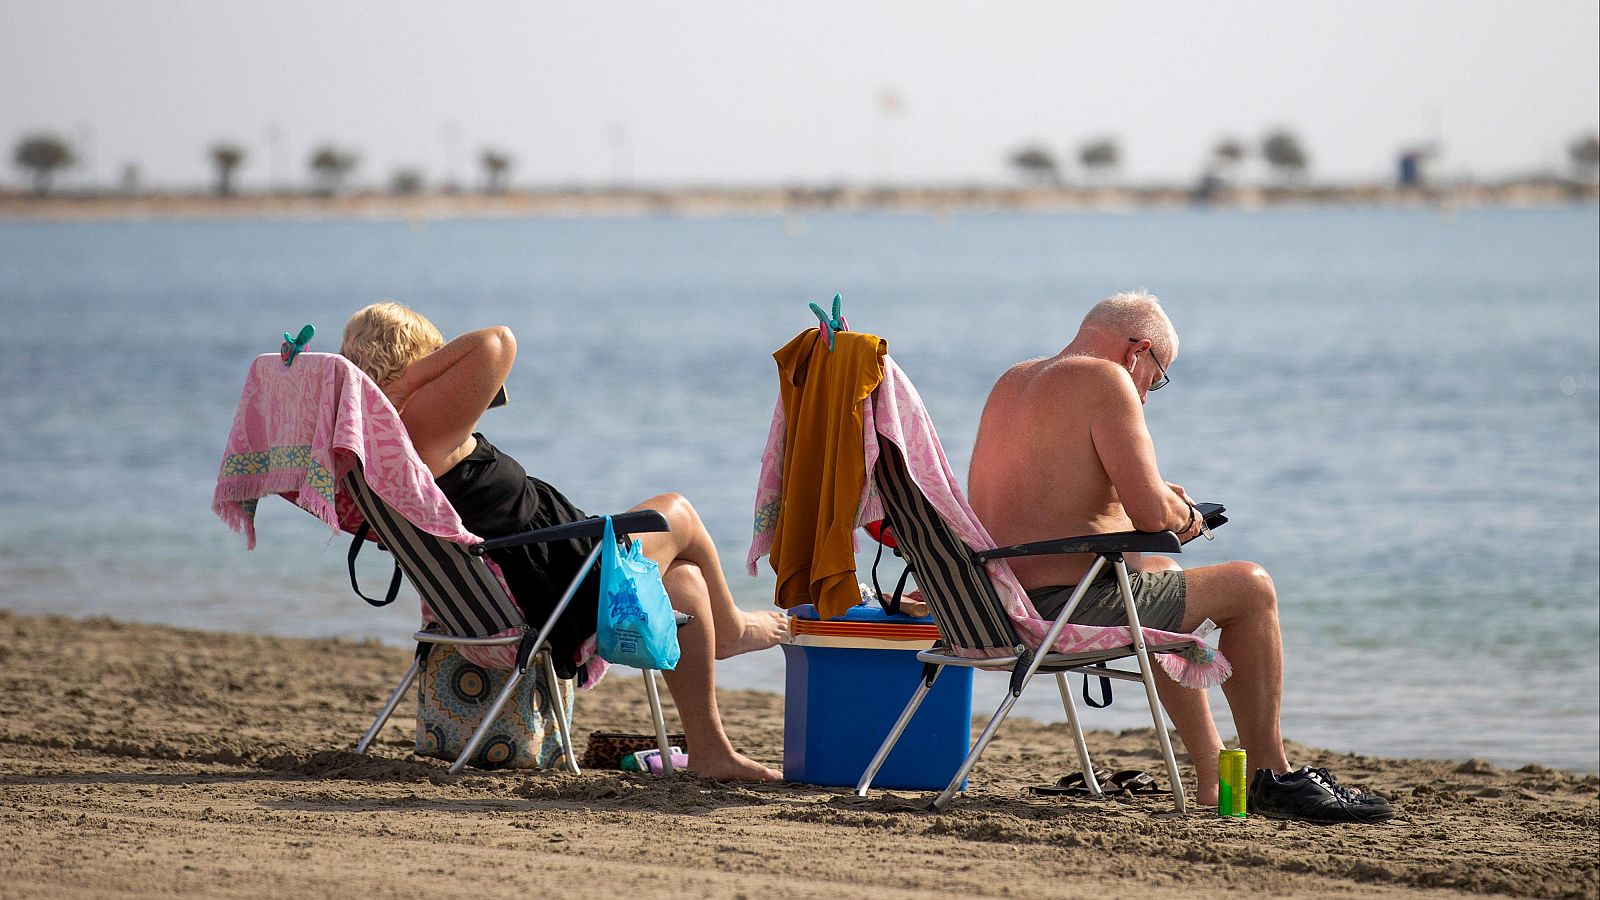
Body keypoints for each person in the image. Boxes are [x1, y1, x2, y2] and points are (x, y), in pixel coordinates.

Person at [967, 290, 1393, 824]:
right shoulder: (1106, 380)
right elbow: (1150, 517)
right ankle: (1271, 773)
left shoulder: (1015, 380)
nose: (1147, 395)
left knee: (1161, 572)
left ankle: (1214, 776)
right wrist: (1184, 515)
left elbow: (1050, 507)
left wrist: (1149, 498)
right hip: (1061, 611)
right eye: (1157, 377)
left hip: (997, 602)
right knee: (1252, 586)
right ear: (1137, 351)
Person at [340, 301, 788, 783]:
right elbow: (498, 341)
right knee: (674, 512)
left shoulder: (371, 446)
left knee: (684, 581)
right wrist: (407, 384)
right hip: (561, 587)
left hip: (538, 579)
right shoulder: (419, 424)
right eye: (433, 353)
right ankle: (734, 629)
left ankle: (710, 752)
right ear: (413, 356)